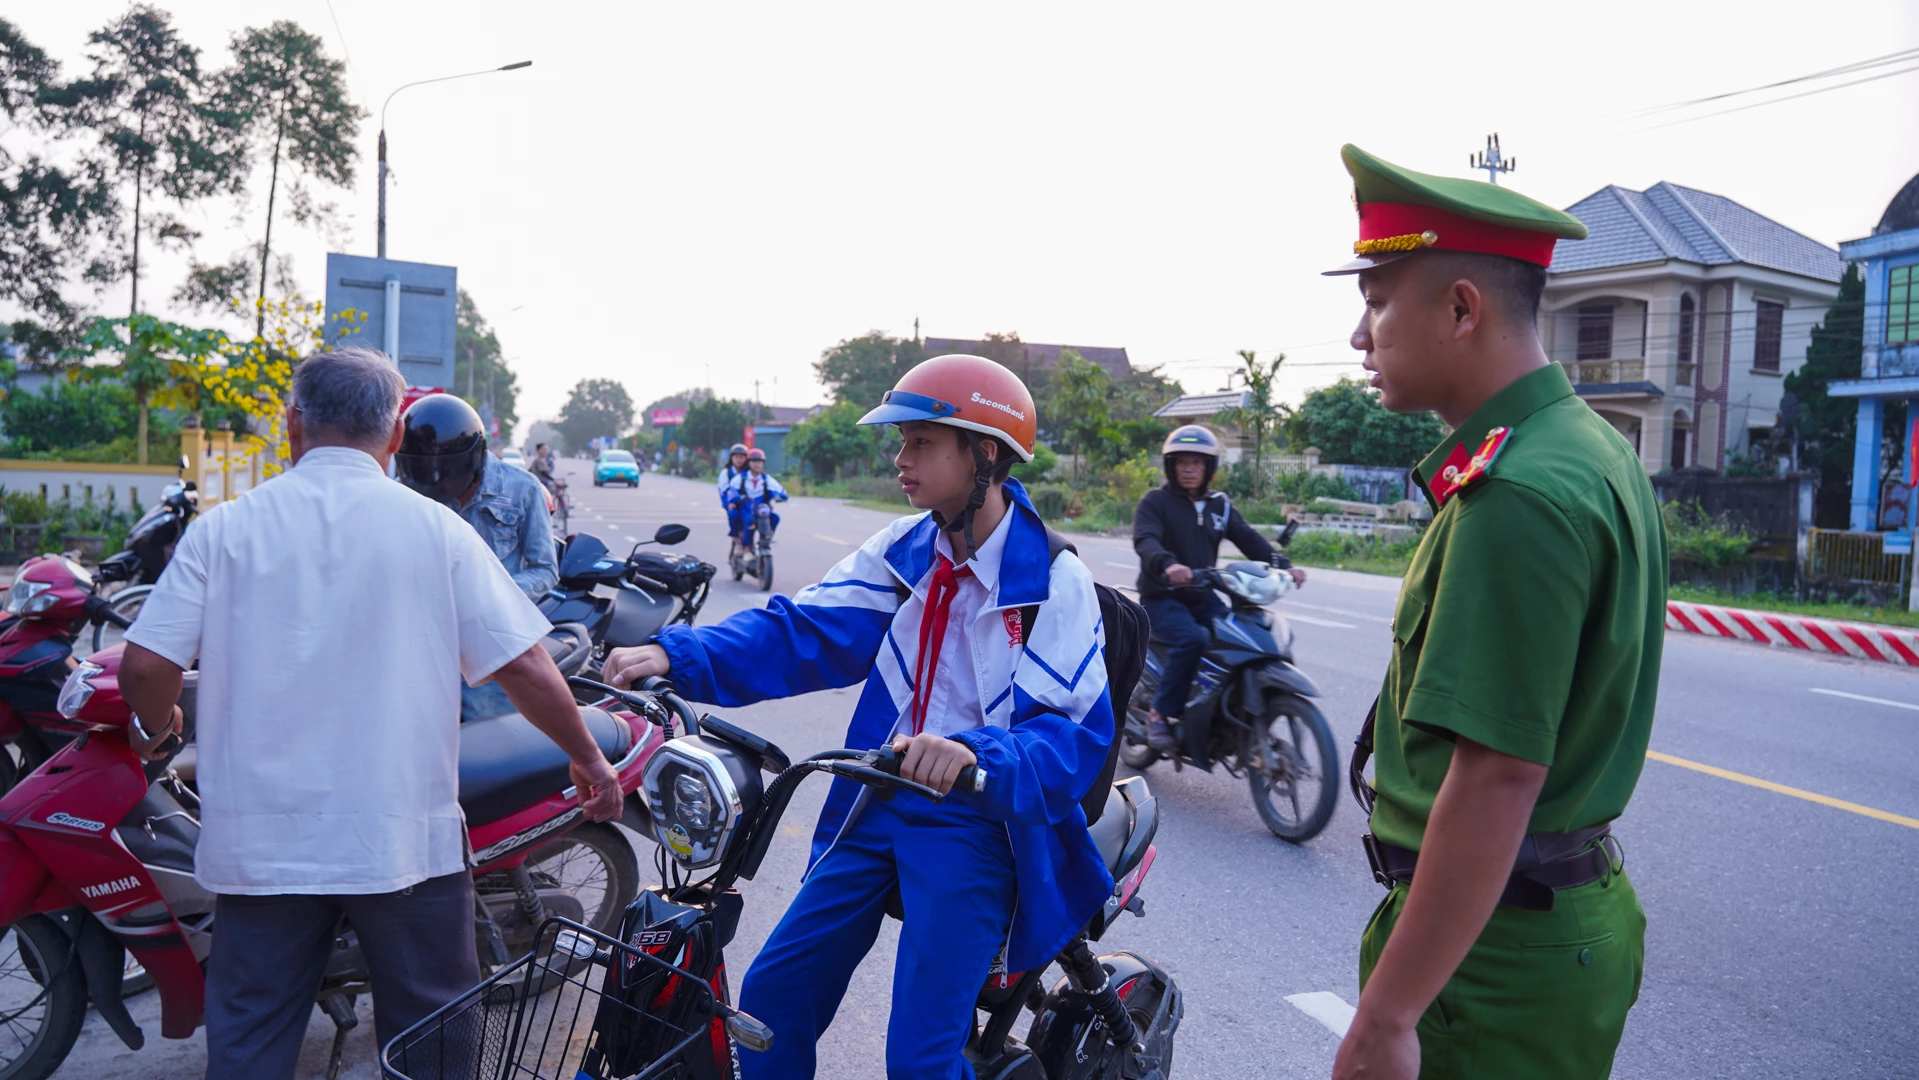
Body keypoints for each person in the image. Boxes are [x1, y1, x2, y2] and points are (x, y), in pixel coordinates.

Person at [114, 347, 623, 1080]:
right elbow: (526, 666)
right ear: (393, 436)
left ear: (293, 425)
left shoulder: (225, 531)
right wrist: (587, 755)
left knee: (251, 1037)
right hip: (401, 841)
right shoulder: (438, 531)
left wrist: (159, 727)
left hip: (262, 846)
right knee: (434, 1037)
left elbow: (144, 666)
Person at [603, 354, 1114, 1080]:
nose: (900, 460)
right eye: (900, 443)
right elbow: (800, 629)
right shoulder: (907, 550)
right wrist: (676, 654)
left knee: (920, 1057)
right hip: (877, 797)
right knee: (772, 998)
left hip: (975, 820)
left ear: (986, 454)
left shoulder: (1051, 580)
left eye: (921, 444)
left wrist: (975, 757)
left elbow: (1069, 739)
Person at [1322, 146, 1664, 1080]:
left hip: (1492, 957)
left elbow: (1497, 777)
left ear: (1461, 308)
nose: (1361, 335)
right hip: (1540, 923)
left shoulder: (1517, 491)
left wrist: (1387, 1017)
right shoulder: (1583, 445)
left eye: (1379, 299)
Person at [1132, 424, 1305, 753]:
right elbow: (1146, 540)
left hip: (1203, 594)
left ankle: (1221, 704)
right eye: (1182, 462)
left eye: (1197, 462)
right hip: (1162, 598)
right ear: (1171, 466)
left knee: (1240, 635)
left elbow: (1249, 539)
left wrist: (1284, 566)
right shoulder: (1155, 502)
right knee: (1192, 638)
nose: (1190, 468)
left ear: (1209, 467)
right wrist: (1168, 565)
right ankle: (1158, 714)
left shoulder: (1219, 505)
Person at [394, 393, 559, 721]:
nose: (436, 489)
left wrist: (486, 595)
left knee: (492, 745)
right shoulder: (402, 490)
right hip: (423, 643)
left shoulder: (522, 490)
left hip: (492, 647)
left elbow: (545, 570)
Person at [724, 447, 788, 553]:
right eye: (754, 461)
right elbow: (732, 491)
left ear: (763, 463)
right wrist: (735, 499)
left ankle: (766, 539)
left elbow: (780, 490)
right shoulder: (740, 478)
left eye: (759, 461)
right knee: (749, 521)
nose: (756, 464)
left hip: (762, 510)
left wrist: (779, 496)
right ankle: (746, 549)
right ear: (749, 463)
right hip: (745, 510)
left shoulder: (766, 479)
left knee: (775, 518)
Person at [718, 442, 750, 555]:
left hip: (747, 502)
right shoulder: (726, 473)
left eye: (742, 457)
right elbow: (724, 490)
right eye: (736, 457)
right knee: (733, 515)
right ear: (731, 458)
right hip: (731, 501)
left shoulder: (749, 472)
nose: (739, 460)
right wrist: (731, 501)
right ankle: (737, 541)